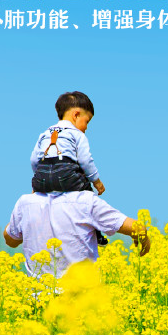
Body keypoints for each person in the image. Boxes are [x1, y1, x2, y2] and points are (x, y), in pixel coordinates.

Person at [3, 189, 150, 278]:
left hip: (39, 301)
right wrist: (143, 241)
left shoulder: (26, 203)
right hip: (81, 302)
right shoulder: (85, 201)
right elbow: (138, 228)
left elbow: (11, 240)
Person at [30, 90, 108, 246]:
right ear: (76, 115)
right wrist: (96, 181)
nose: (86, 127)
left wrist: (38, 182)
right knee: (87, 195)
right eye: (87, 121)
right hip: (66, 173)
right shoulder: (77, 134)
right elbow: (85, 161)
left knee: (44, 202)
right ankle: (96, 233)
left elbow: (34, 160)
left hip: (42, 174)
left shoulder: (44, 133)